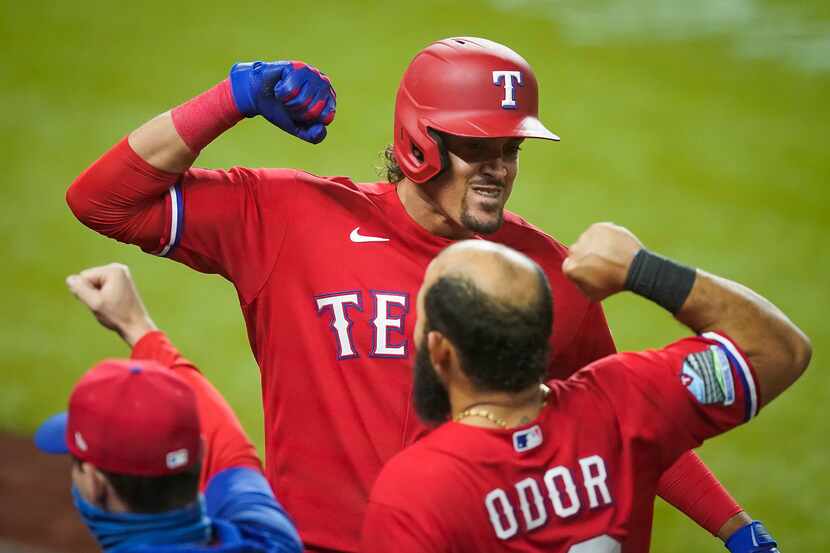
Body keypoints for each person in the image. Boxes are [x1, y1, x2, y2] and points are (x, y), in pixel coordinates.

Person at [66, 37, 762, 551]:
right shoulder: (291, 220)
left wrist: (734, 527)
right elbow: (103, 201)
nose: (498, 169)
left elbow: (624, 424)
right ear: (417, 141)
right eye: (477, 147)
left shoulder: (538, 272)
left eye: (510, 150)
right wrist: (234, 98)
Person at [362, 223, 811, 553]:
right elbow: (780, 349)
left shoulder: (416, 492)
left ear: (440, 351)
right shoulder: (625, 402)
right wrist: (641, 270)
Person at [34, 263, 303, 553]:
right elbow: (232, 459)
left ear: (95, 484)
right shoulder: (271, 538)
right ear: (200, 452)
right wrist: (136, 327)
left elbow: (230, 453)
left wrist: (135, 326)